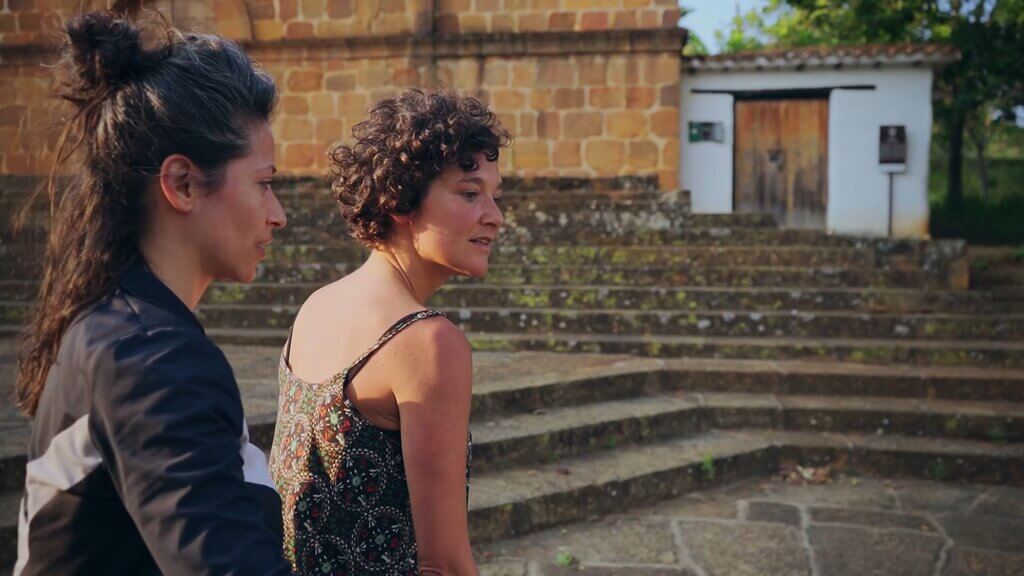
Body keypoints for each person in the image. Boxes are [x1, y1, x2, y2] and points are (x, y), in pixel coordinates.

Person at [13, 1, 291, 574]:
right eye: (264, 185)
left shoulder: (118, 326)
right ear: (182, 183)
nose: (279, 214)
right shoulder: (152, 358)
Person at [270, 88, 510, 575]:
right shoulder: (427, 343)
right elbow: (442, 563)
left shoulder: (317, 306)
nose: (496, 217)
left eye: (495, 197)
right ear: (400, 201)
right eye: (470, 194)